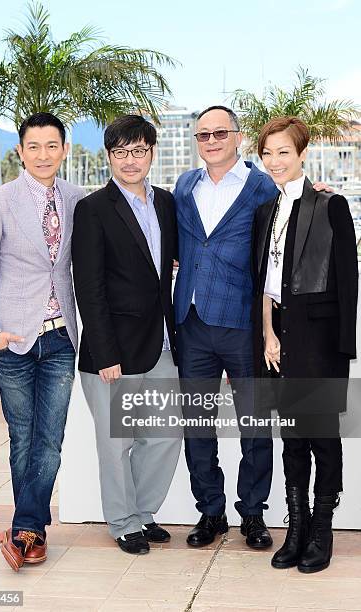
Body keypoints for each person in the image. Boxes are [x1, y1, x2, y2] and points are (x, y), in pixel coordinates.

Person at [173, 105, 330, 549]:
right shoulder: (185, 185)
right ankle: (210, 512)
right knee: (197, 425)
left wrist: (318, 194)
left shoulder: (264, 186)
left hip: (244, 325)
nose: (211, 141)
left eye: (220, 133)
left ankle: (253, 514)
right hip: (192, 321)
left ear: (238, 138)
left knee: (255, 426)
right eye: (203, 135)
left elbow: (295, 217)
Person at [0, 112, 85, 571]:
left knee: (50, 440)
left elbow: (122, 224)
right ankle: (29, 530)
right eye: (33, 146)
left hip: (60, 337)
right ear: (20, 151)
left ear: (64, 149)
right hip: (13, 337)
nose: (43, 154)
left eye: (51, 145)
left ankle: (25, 529)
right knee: (23, 437)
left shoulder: (79, 200)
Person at [252, 116, 358, 573]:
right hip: (281, 342)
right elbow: (265, 284)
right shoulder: (265, 212)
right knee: (291, 439)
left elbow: (347, 281)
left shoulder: (330, 206)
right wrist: (267, 334)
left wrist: (341, 350)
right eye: (268, 153)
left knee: (322, 437)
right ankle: (295, 529)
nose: (275, 161)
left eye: (284, 152)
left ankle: (321, 529)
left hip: (319, 344)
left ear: (301, 154)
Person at [72, 114, 181, 555]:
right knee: (116, 444)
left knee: (166, 435)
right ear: (110, 157)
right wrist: (103, 351)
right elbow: (89, 286)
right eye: (121, 152)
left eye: (138, 150)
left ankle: (143, 513)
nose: (130, 160)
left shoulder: (168, 204)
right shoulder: (93, 208)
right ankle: (122, 522)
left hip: (161, 345)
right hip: (112, 350)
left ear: (152, 153)